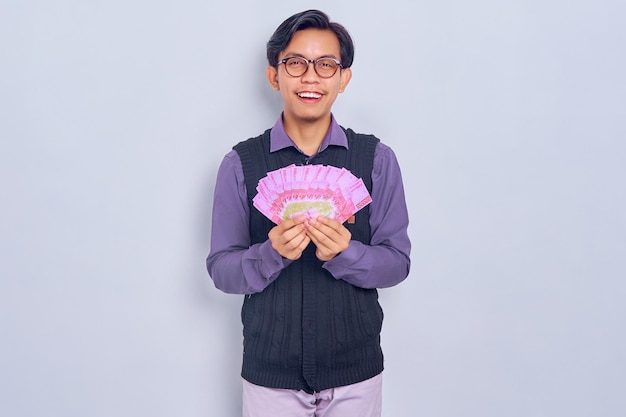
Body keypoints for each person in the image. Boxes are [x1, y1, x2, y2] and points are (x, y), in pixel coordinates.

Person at [206, 9, 411, 417]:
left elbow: (397, 263)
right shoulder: (239, 163)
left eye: (326, 65)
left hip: (356, 370)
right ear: (274, 75)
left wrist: (347, 253)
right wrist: (270, 253)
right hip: (270, 374)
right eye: (296, 63)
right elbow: (221, 269)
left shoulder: (377, 160)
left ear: (343, 78)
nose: (311, 77)